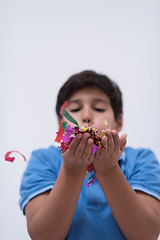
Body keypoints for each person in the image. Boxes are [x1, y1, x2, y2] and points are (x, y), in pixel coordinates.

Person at [19, 70, 160, 240]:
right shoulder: (43, 160)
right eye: (75, 109)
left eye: (99, 108)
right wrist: (72, 169)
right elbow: (43, 236)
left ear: (119, 121)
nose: (86, 116)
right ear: (60, 122)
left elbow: (146, 234)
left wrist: (108, 168)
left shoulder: (141, 160)